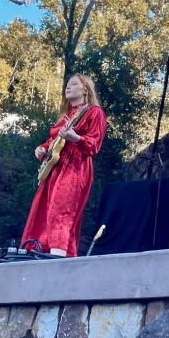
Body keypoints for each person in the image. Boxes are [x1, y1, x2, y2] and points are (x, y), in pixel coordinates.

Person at [22, 74, 107, 257]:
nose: (68, 87)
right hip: (55, 168)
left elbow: (94, 145)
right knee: (45, 211)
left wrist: (75, 138)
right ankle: (40, 250)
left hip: (75, 167)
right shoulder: (67, 115)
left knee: (62, 211)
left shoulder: (94, 112)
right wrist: (42, 149)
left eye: (73, 84)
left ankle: (58, 256)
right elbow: (54, 141)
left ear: (85, 89)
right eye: (67, 85)